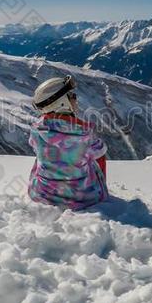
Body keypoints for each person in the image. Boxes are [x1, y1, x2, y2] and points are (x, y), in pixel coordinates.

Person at [28, 75, 108, 210]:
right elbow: (100, 153)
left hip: (41, 194)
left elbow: (35, 147)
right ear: (61, 102)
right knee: (94, 157)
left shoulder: (36, 131)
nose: (75, 100)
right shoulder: (86, 134)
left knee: (45, 152)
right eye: (71, 96)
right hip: (83, 198)